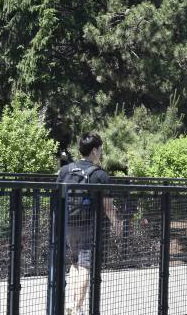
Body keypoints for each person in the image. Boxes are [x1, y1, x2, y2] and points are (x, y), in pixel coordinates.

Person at [57, 132, 121, 315]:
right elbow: (108, 207)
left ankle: (72, 302)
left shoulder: (65, 170)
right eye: (100, 149)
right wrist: (116, 223)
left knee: (75, 262)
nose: (100, 152)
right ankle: (78, 309)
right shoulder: (100, 175)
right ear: (94, 150)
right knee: (85, 265)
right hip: (88, 225)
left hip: (68, 224)